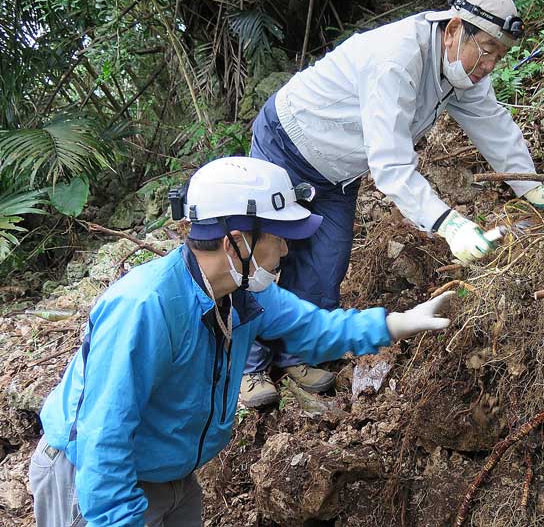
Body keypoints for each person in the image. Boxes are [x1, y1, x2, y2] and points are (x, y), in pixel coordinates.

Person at [28, 157, 454, 527]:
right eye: (276, 236)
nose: (285, 250)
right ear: (237, 242)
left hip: (170, 471)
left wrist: (400, 323)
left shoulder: (243, 293)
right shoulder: (146, 307)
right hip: (93, 480)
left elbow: (316, 330)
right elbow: (104, 436)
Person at [239, 0, 544, 407]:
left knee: (326, 264)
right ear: (455, 29)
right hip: (289, 143)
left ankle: (296, 355)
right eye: (488, 50)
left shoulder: (461, 71)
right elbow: (391, 164)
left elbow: (493, 124)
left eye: (500, 56)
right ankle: (248, 367)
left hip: (339, 173)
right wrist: (447, 223)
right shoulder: (397, 59)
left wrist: (530, 185)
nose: (490, 65)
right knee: (257, 256)